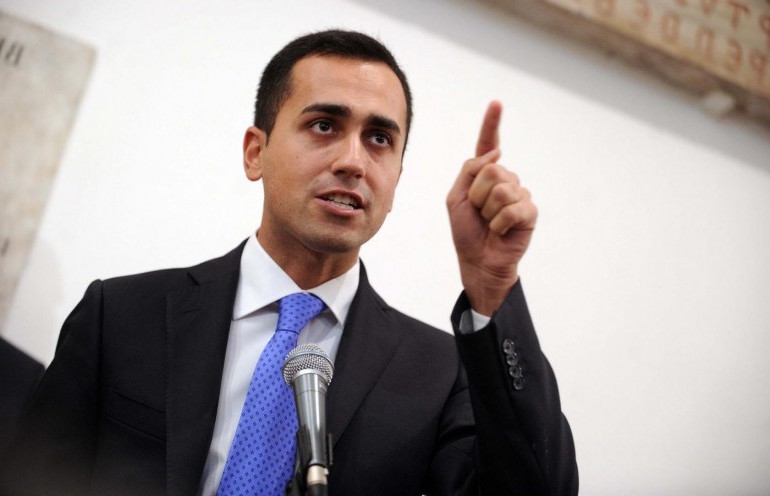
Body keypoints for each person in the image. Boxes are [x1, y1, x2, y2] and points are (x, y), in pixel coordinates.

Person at [0, 30, 578, 495]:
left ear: (398, 175)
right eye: (324, 126)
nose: (353, 161)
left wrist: (492, 285)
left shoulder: (438, 375)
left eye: (380, 139)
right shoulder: (123, 316)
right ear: (256, 152)